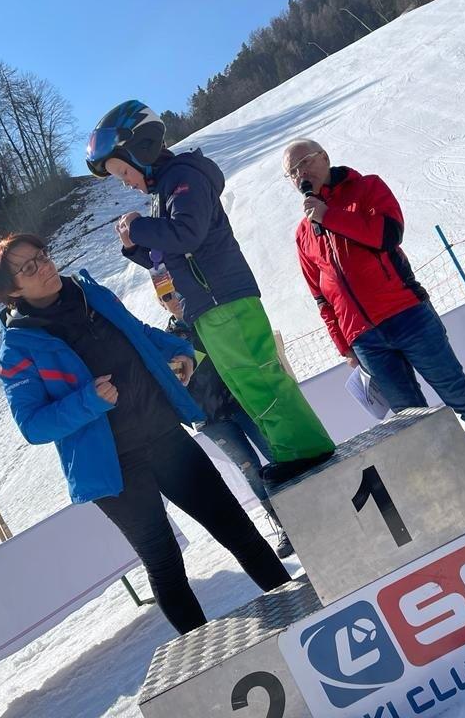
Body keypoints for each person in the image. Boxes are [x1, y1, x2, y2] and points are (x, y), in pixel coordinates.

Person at [0, 233, 290, 634]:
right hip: (113, 470)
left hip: (165, 438)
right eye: (29, 267)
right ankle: (209, 658)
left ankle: (301, 615)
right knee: (165, 564)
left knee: (236, 528)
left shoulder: (91, 293)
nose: (45, 266)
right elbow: (33, 425)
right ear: (12, 290)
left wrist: (177, 351)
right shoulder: (17, 349)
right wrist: (88, 401)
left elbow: (138, 333)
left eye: (42, 255)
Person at [85, 100, 335, 484]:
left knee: (260, 377)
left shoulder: (183, 176)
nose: (125, 181)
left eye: (123, 171)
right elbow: (171, 257)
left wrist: (139, 228)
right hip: (206, 304)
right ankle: (292, 451)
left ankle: (308, 450)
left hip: (224, 298)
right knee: (246, 384)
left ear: (141, 151)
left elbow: (188, 233)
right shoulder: (164, 190)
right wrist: (136, 247)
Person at [283, 139, 465, 472]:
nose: (300, 174)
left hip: (407, 315)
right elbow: (321, 297)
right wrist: (345, 346)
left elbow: (387, 235)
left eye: (304, 163)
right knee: (414, 423)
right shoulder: (303, 233)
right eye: (292, 172)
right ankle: (462, 487)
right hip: (365, 340)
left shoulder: (367, 188)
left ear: (324, 157)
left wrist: (329, 216)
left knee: (460, 394)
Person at [161, 289, 294, 558]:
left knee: (275, 452)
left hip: (243, 400)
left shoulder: (208, 317)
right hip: (212, 417)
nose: (174, 298)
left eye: (175, 290)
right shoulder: (165, 340)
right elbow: (176, 385)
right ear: (161, 304)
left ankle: (302, 507)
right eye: (166, 297)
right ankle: (285, 524)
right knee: (250, 469)